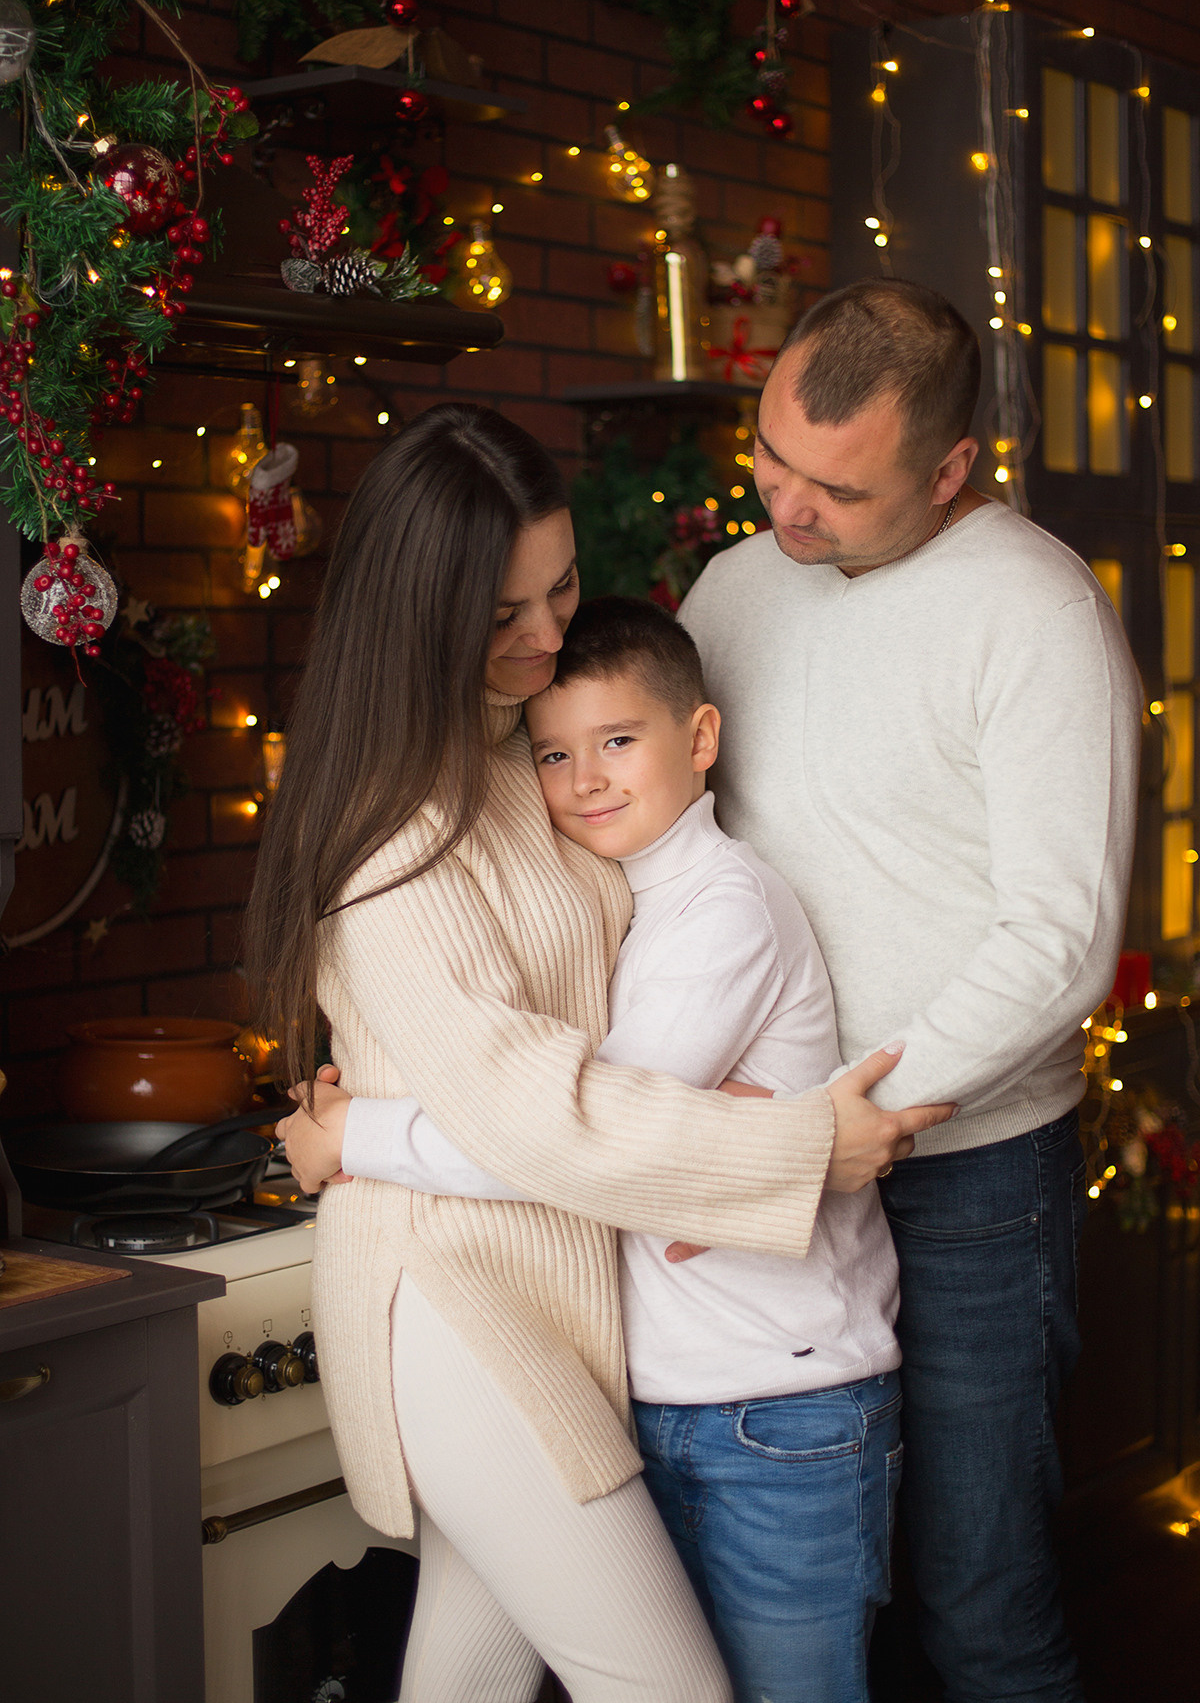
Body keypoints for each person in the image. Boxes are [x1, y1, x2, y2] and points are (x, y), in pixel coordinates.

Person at [248, 401, 952, 1703]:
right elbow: (545, 1116)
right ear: (422, 613)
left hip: (559, 1287)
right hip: (461, 1302)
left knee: (463, 1685)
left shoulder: (520, 747)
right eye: (503, 613)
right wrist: (798, 1144)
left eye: (560, 587)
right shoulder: (393, 840)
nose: (546, 634)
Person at [676, 278, 1144, 1703]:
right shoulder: (733, 588)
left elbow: (1062, 936)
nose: (790, 509)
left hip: (967, 1184)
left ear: (950, 470)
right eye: (774, 461)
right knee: (806, 1599)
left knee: (979, 1601)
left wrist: (853, 1114)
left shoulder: (1038, 612)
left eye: (841, 490)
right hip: (762, 1162)